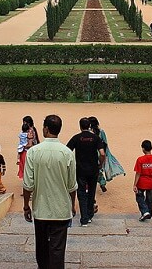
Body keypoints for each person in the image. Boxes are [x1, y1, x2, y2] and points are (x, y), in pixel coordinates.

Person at [23, 114, 78, 269]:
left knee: (41, 250)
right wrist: (72, 205)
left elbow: (28, 185)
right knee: (58, 251)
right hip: (61, 211)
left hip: (41, 210)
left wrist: (26, 206)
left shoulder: (33, 152)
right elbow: (71, 186)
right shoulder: (67, 153)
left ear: (46, 129)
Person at [66, 117, 106, 226]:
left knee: (82, 193)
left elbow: (67, 151)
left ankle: (84, 218)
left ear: (80, 126)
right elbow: (102, 153)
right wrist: (100, 164)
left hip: (80, 169)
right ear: (89, 126)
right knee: (92, 192)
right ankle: (89, 215)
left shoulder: (76, 138)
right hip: (93, 169)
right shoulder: (96, 138)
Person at [88, 116, 125, 193]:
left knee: (96, 169)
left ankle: (101, 182)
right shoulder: (101, 131)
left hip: (92, 153)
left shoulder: (89, 133)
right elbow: (105, 143)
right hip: (101, 152)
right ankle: (102, 183)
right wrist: (105, 153)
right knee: (99, 168)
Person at [133, 139, 152, 222]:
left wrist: (135, 184)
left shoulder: (140, 159)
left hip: (141, 182)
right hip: (151, 183)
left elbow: (138, 173)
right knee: (150, 199)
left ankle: (145, 211)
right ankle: (149, 213)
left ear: (143, 148)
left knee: (139, 197)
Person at [18, 115, 39, 180]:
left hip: (28, 150)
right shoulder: (33, 129)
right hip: (33, 149)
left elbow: (30, 144)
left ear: (28, 123)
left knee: (26, 166)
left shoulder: (29, 131)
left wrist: (22, 146)